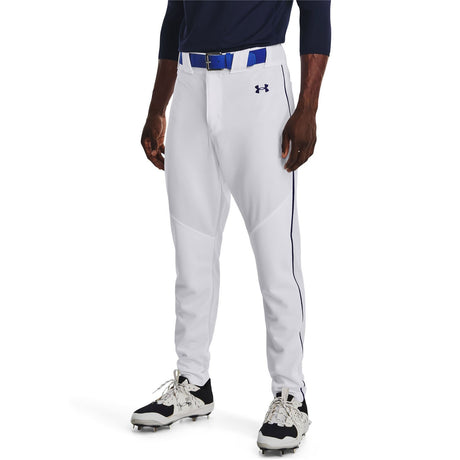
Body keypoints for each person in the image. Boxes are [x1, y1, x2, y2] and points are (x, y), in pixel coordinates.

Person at [131, 0, 331, 453]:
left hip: (257, 85)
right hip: (190, 84)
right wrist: (158, 106)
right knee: (191, 247)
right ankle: (193, 381)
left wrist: (308, 106)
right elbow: (175, 16)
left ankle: (290, 394)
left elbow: (316, 10)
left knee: (275, 253)